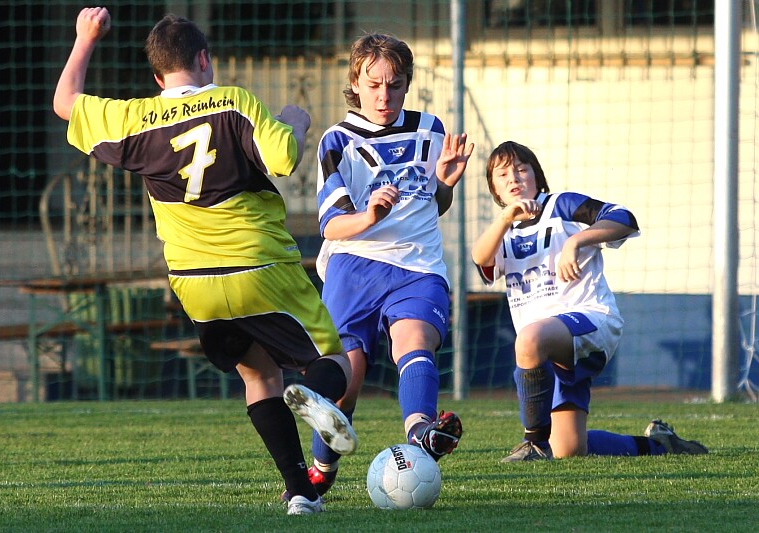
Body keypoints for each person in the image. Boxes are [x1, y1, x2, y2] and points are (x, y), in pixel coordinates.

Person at [53, 7, 358, 515]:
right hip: (260, 267)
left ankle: (301, 493)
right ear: (204, 59)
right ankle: (318, 400)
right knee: (334, 362)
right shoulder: (233, 102)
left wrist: (86, 37)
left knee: (258, 376)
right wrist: (295, 120)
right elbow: (283, 158)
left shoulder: (135, 118)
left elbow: (65, 102)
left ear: (158, 77)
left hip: (194, 283)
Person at [292, 32, 474, 499]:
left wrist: (445, 184)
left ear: (407, 83)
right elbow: (333, 225)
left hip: (418, 266)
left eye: (395, 85)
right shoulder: (338, 140)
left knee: (415, 342)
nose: (384, 96)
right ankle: (320, 470)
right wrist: (370, 215)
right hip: (355, 267)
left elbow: (434, 203)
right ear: (355, 83)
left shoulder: (430, 129)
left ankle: (422, 434)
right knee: (346, 384)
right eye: (374, 85)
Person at [471, 140, 708, 461]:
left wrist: (576, 242)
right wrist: (504, 219)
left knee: (528, 339)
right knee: (569, 449)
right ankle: (661, 445)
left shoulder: (562, 205)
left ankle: (533, 443)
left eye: (521, 169)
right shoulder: (503, 232)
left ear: (536, 177)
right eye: (502, 174)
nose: (513, 178)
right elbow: (481, 258)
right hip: (549, 350)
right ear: (495, 190)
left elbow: (623, 217)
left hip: (591, 320)